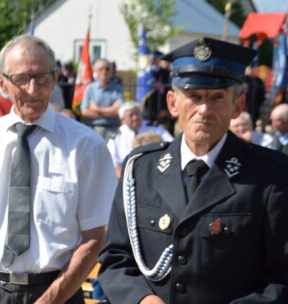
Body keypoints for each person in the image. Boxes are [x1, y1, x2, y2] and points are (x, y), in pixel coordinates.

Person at [98, 37, 288, 304]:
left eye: (217, 97)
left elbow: (282, 278)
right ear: (173, 103)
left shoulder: (271, 177)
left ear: (238, 106)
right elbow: (115, 260)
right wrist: (141, 299)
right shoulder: (140, 170)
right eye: (194, 96)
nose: (204, 110)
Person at [0, 34, 117, 303]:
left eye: (42, 78)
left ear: (55, 79)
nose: (32, 89)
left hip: (59, 291)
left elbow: (94, 238)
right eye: (21, 79)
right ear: (2, 83)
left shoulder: (87, 147)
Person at [107, 101, 173, 178]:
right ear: (123, 120)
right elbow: (112, 164)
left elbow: (171, 145)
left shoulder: (155, 128)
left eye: (137, 114)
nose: (135, 118)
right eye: (131, 115)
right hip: (127, 175)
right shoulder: (117, 136)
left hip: (156, 172)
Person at [80, 58, 124, 141]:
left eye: (107, 69)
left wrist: (96, 109)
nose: (104, 71)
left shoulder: (118, 88)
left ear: (111, 71)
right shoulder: (90, 88)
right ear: (95, 71)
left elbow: (119, 111)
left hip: (113, 129)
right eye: (101, 69)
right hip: (94, 129)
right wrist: (110, 111)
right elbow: (85, 112)